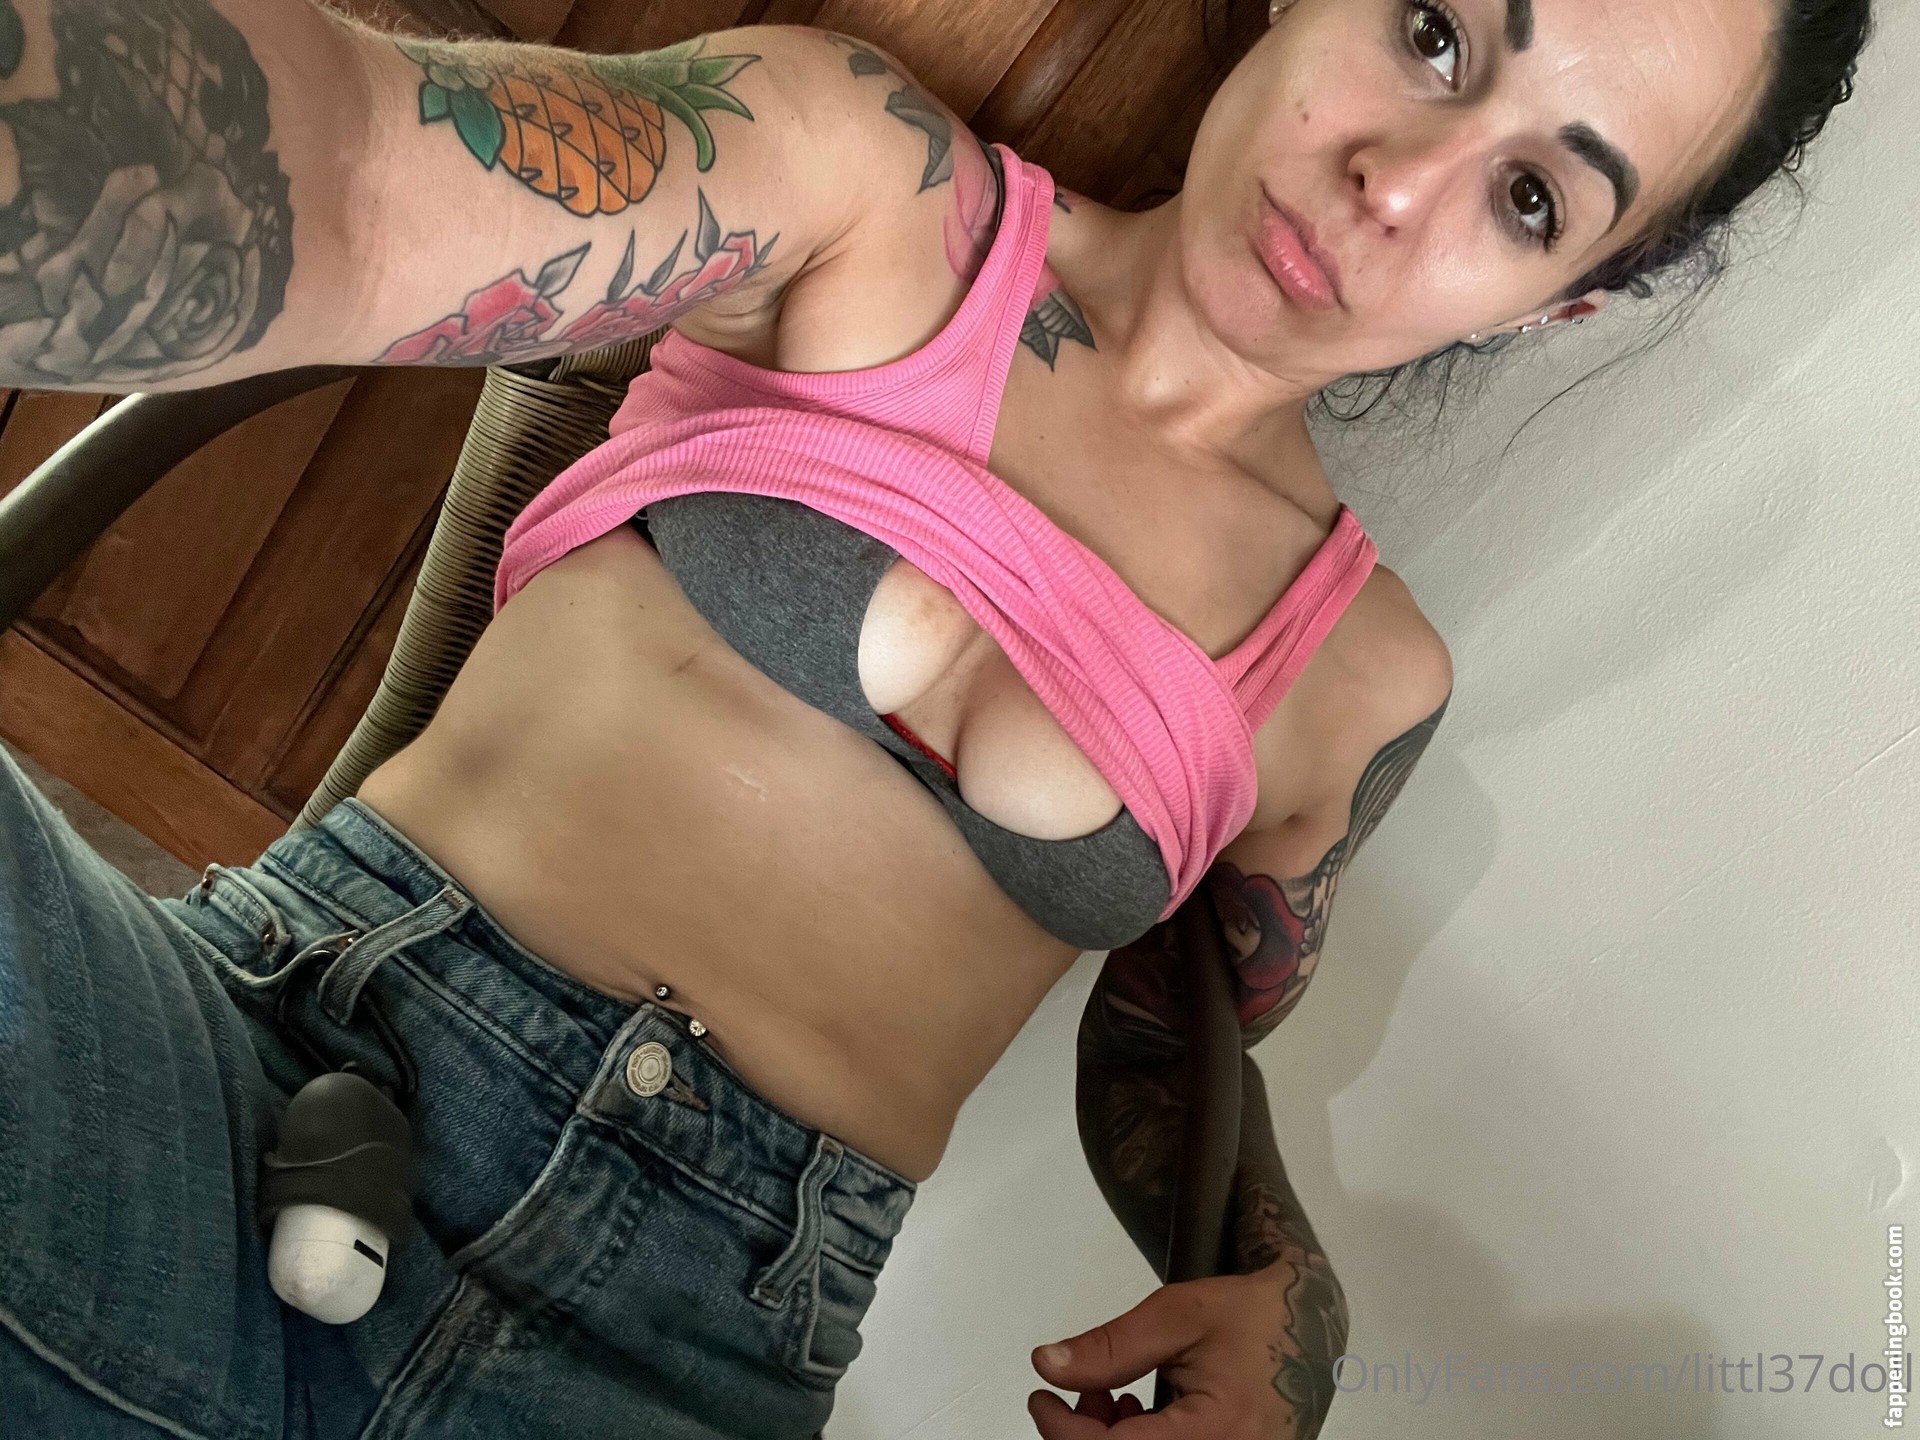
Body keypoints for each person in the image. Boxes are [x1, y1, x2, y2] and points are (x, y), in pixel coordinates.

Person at [0, 0, 1869, 1434]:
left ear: (1562, 304)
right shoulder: (865, 182)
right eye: (1440, 33)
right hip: (250, 1074)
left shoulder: (1359, 677)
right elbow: (346, 178)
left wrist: (1290, 1294)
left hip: (695, 1341)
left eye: (1534, 198)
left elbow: (1173, 1050)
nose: (1403, 179)